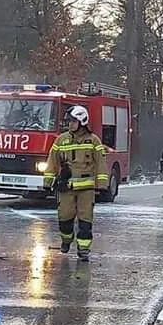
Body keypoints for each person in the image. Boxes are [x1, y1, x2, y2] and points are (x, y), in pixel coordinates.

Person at [43, 105, 107, 262]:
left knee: (85, 220)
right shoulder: (61, 140)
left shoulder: (93, 141)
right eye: (69, 121)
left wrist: (102, 185)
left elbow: (101, 164)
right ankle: (66, 239)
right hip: (66, 187)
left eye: (73, 121)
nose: (70, 124)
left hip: (86, 188)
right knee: (64, 217)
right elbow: (52, 161)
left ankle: (83, 249)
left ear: (82, 121)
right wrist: (48, 180)